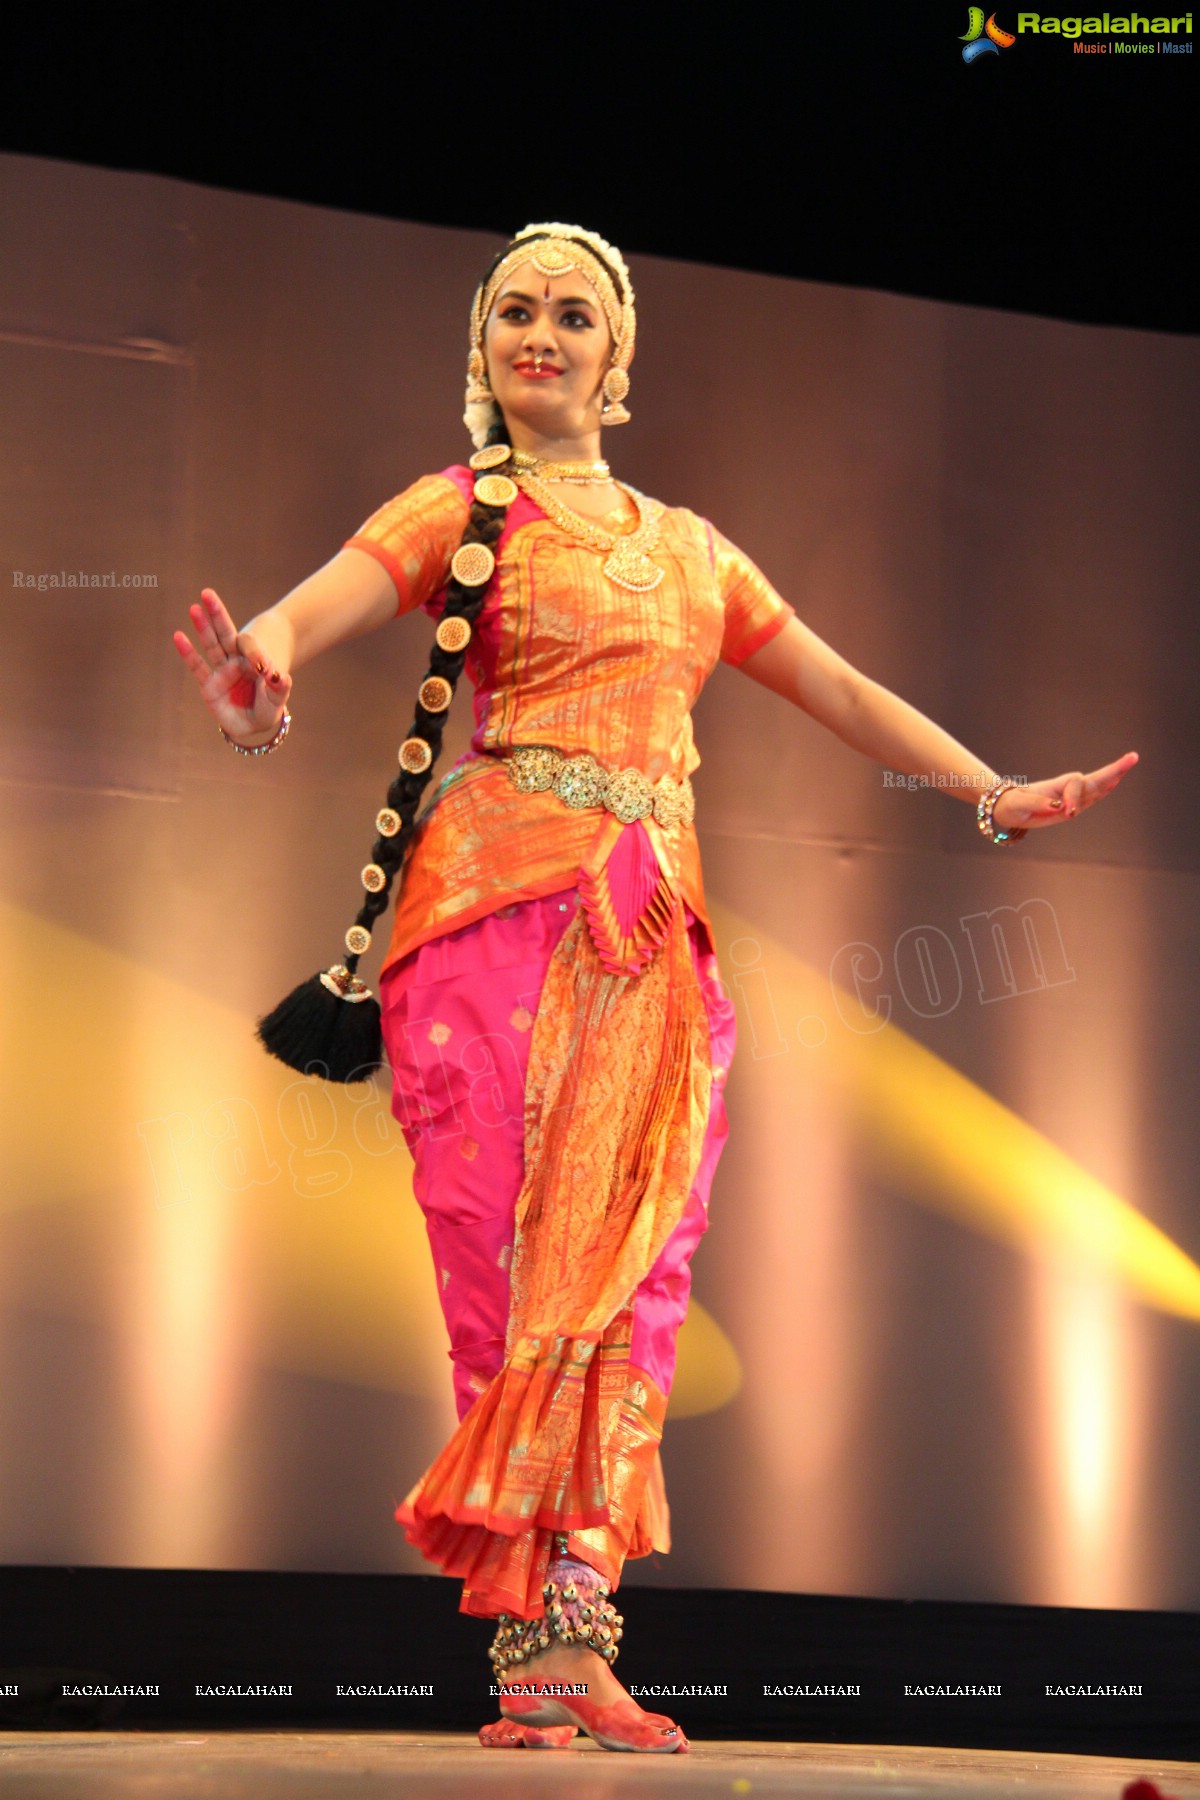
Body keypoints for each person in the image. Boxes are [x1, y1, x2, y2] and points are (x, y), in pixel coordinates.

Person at [172, 222, 1138, 1754]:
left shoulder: (692, 550)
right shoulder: (455, 508)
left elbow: (837, 686)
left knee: (635, 1278)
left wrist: (988, 788)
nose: (539, 335)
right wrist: (257, 686)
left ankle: (576, 1627)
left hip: (650, 941)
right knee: (504, 1269)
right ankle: (531, 1649)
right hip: (489, 919)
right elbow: (305, 615)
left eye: (570, 315)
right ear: (481, 347)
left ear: (620, 362)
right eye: (513, 314)